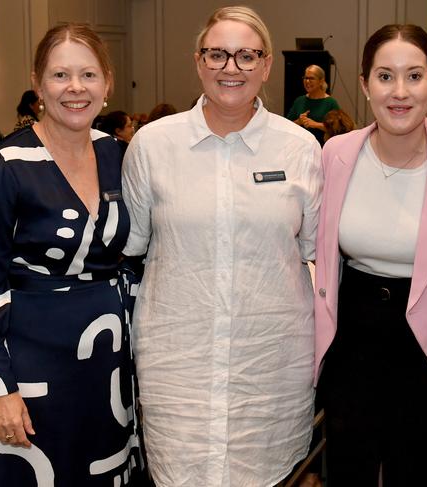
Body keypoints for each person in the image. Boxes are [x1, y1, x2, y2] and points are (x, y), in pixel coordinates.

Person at [121, 6, 323, 486]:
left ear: (267, 65)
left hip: (269, 367)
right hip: (178, 366)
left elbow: (313, 250)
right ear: (198, 61)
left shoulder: (300, 149)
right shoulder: (152, 146)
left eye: (246, 56)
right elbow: (131, 248)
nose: (231, 68)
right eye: (217, 54)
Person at [313, 24, 427, 486]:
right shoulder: (335, 154)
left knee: (419, 471)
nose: (400, 92)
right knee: (350, 470)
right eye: (385, 76)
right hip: (350, 337)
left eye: (415, 76)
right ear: (364, 84)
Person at [0, 23, 141, 486]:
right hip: (31, 365)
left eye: (88, 75)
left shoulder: (121, 154)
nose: (75, 88)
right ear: (37, 83)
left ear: (107, 82)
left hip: (111, 362)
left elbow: (141, 253)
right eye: (60, 76)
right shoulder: (6, 166)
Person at [286, 64, 340, 145]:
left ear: (321, 81)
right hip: (300, 148)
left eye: (311, 78)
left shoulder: (331, 103)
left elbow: (338, 129)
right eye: (305, 78)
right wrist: (299, 121)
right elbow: (286, 126)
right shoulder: (299, 101)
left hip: (323, 149)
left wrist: (316, 124)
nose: (307, 81)